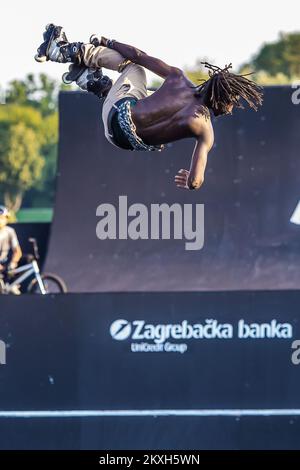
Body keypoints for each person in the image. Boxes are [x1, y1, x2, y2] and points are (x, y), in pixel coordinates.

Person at [35, 24, 263, 190]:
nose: (231, 109)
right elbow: (195, 181)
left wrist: (107, 42)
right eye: (232, 103)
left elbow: (137, 55)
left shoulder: (178, 78)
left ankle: (74, 52)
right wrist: (190, 182)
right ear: (221, 97)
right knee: (146, 92)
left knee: (135, 69)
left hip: (117, 112)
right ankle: (89, 79)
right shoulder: (206, 132)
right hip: (118, 139)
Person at [0, 206, 22, 276]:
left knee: (13, 286)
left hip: (5, 266)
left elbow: (17, 251)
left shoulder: (10, 231)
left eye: (3, 218)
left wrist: (12, 263)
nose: (1, 220)